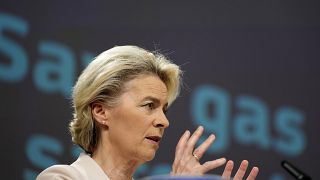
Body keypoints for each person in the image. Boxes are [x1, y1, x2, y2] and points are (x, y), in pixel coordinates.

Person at [37, 45, 259, 180]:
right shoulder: (61, 177)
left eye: (164, 109)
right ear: (101, 111)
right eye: (149, 105)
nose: (164, 121)